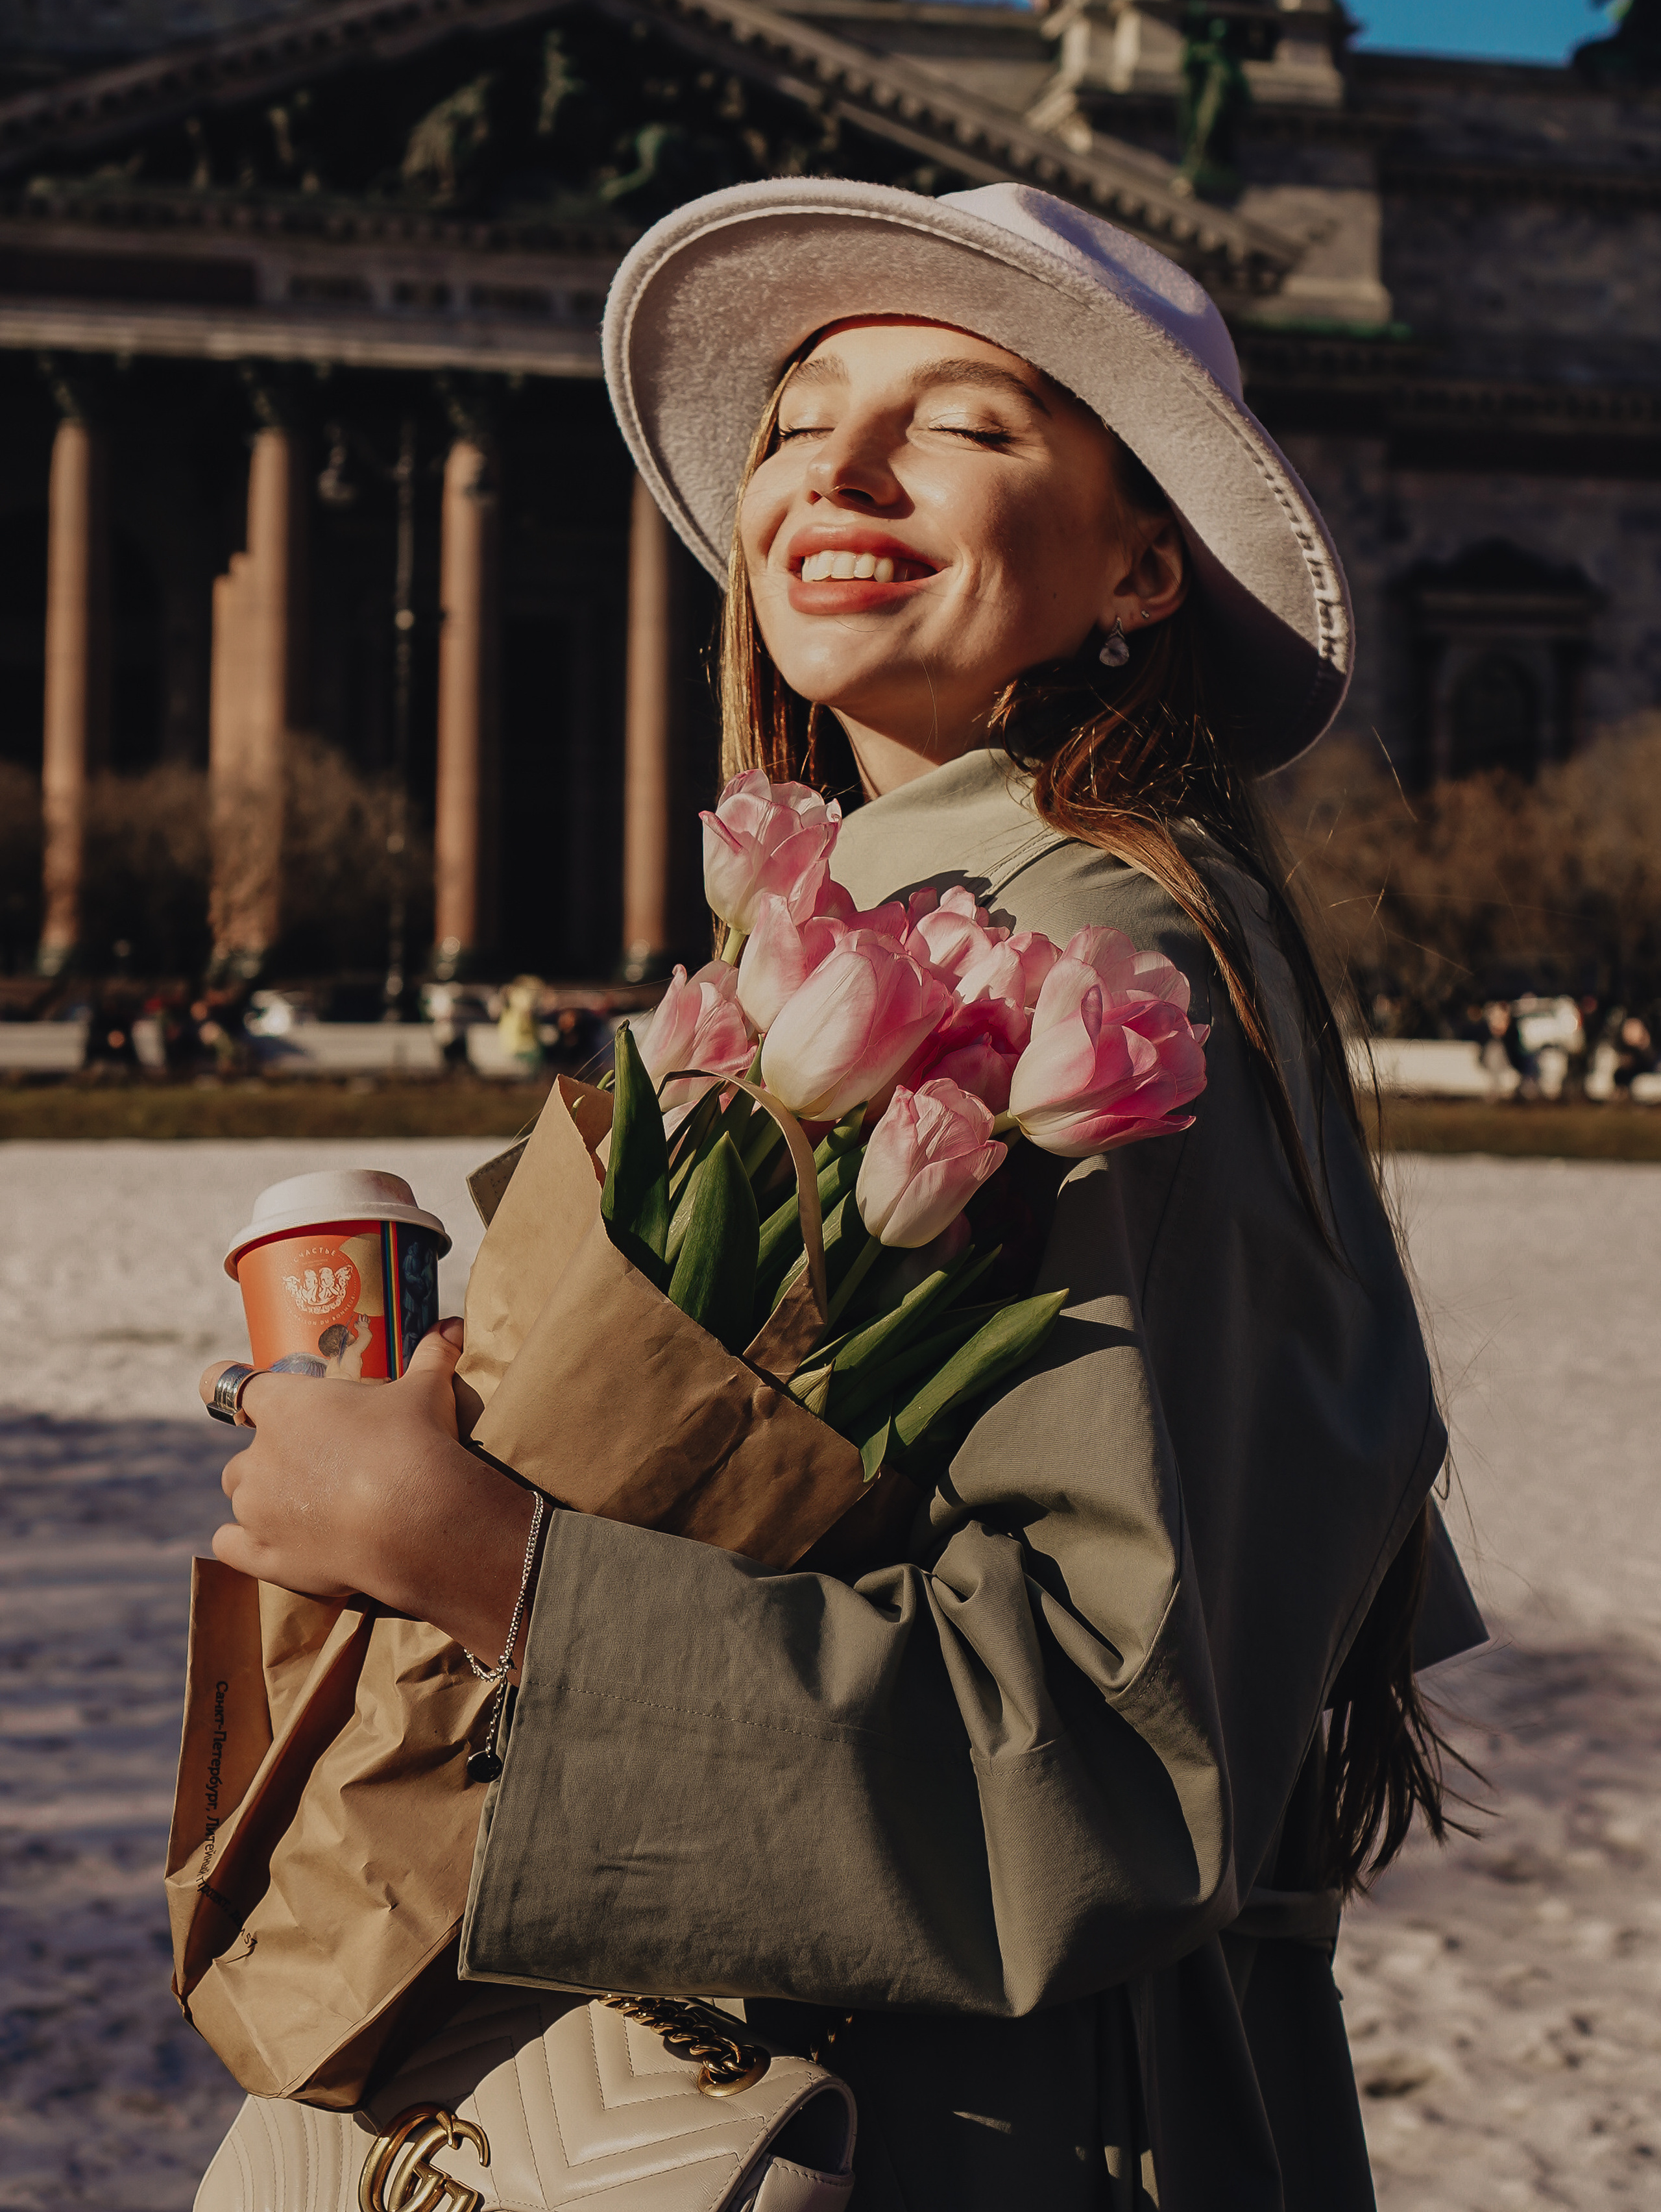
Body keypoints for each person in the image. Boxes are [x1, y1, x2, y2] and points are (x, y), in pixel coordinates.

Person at [197, 180, 1482, 2211]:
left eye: (962, 423)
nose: (840, 468)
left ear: (1145, 562)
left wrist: (486, 1565)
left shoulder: (1085, 973)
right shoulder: (913, 915)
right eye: (798, 419)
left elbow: (1126, 1762)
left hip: (945, 2128)